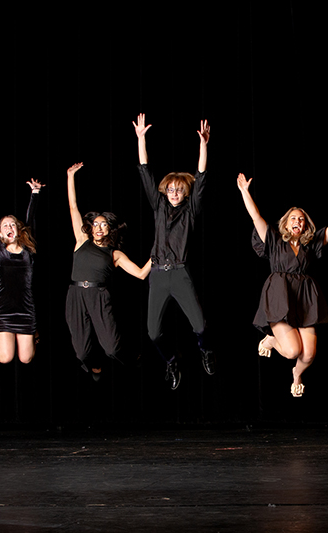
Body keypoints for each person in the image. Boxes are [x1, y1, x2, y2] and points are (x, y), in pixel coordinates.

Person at [237, 172, 328, 397]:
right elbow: (255, 216)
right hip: (280, 296)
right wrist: (244, 192)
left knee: (308, 354)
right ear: (285, 222)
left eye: (301, 219)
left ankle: (297, 375)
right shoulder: (273, 239)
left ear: (306, 224)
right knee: (292, 350)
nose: (297, 222)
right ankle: (271, 339)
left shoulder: (310, 245)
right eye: (293, 218)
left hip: (306, 300)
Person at [133, 113, 213, 390]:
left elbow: (201, 177)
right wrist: (141, 138)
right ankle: (170, 361)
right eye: (170, 188)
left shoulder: (191, 211)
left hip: (179, 273)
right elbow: (145, 171)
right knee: (153, 333)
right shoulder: (158, 207)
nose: (174, 192)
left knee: (200, 326)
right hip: (157, 274)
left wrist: (204, 145)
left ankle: (205, 351)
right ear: (165, 191)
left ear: (185, 192)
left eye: (179, 189)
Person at [66, 162, 151, 382]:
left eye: (104, 224)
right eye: (96, 224)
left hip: (98, 296)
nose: (99, 227)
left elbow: (141, 273)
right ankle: (94, 366)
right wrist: (70, 176)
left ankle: (134, 358)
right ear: (91, 228)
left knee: (112, 349)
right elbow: (73, 206)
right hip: (75, 295)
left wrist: (157, 254)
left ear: (109, 229)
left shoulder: (114, 254)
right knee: (81, 353)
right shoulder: (81, 241)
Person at [0, 179, 44, 364]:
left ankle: (34, 335)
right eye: (5, 225)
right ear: (0, 234)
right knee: (5, 357)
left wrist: (35, 194)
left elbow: (31, 218)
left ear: (18, 230)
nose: (9, 227)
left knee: (26, 358)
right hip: (3, 309)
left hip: (25, 309)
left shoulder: (28, 249)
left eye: (12, 224)